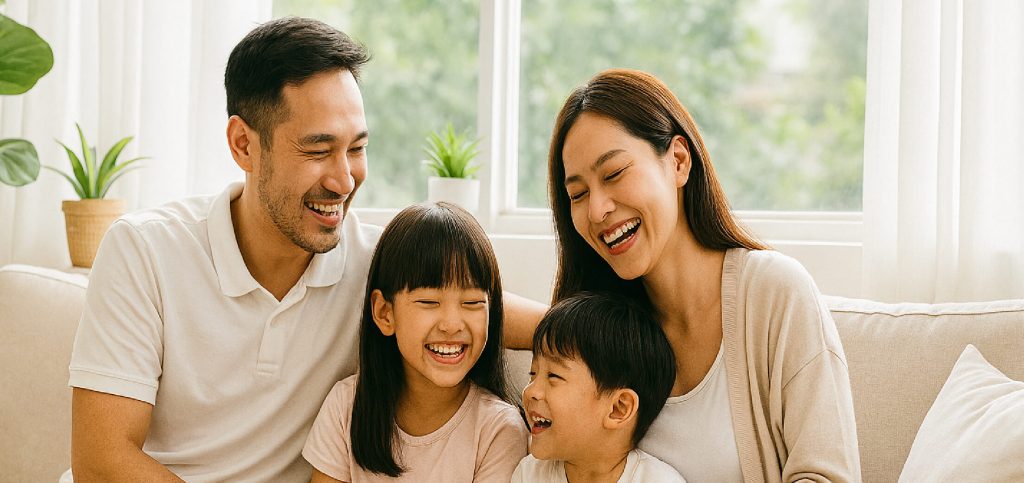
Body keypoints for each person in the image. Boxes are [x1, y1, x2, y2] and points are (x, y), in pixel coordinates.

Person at [67, 17, 544, 482]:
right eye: (318, 151)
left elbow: (514, 318)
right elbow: (102, 460)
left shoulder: (379, 267)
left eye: (356, 149)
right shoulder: (143, 251)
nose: (343, 180)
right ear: (243, 145)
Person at [546, 68, 861, 482]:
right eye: (578, 194)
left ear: (678, 161)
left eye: (614, 173)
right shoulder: (598, 334)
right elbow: (481, 317)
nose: (597, 209)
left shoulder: (774, 293)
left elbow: (828, 476)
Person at [302, 202, 528, 482]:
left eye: (472, 303)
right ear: (385, 313)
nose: (452, 324)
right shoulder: (346, 406)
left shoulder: (500, 430)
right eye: (429, 302)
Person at [512, 292, 685, 483]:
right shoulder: (528, 475)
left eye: (553, 376)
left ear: (618, 408)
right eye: (532, 374)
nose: (530, 392)